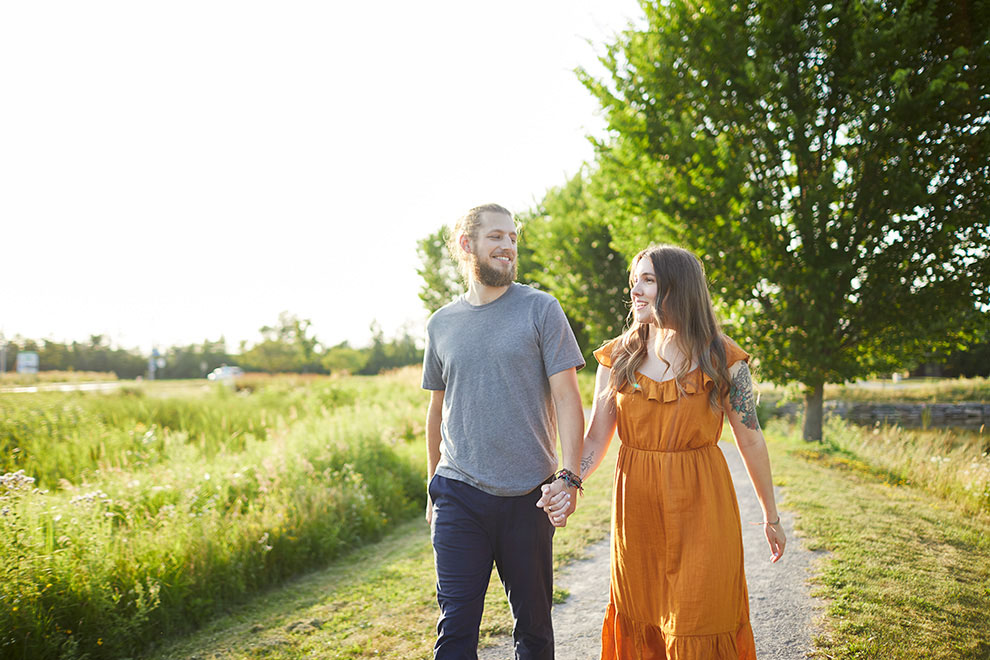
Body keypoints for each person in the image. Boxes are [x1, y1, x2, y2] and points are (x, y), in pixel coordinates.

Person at [539, 244, 785, 659]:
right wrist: (569, 480)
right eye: (634, 281)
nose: (635, 291)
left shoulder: (721, 357)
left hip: (703, 506)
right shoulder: (617, 357)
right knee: (643, 616)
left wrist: (771, 515)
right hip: (637, 511)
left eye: (648, 280)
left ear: (679, 287)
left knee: (701, 615)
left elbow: (751, 438)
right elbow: (597, 439)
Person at [422, 203, 586, 660]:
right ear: (466, 244)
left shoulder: (541, 309)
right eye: (496, 236)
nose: (508, 246)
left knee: (533, 627)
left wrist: (569, 477)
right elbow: (437, 410)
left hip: (529, 495)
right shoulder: (440, 324)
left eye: (513, 238)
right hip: (459, 492)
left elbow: (569, 401)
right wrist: (432, 486)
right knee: (455, 628)